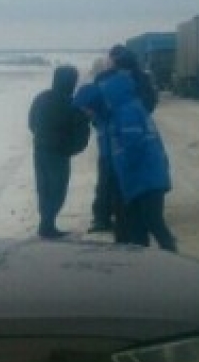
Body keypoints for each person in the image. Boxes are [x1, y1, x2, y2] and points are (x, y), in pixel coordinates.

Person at [75, 69, 177, 252]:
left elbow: (132, 149)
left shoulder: (125, 111)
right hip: (133, 178)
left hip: (147, 176)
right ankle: (140, 263)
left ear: (94, 103)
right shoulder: (107, 115)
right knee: (135, 225)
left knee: (153, 221)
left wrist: (119, 178)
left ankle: (173, 257)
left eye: (86, 109)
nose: (86, 114)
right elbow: (109, 153)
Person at [87, 46, 158, 233]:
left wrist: (100, 123)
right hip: (132, 137)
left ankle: (102, 217)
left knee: (107, 177)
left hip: (110, 140)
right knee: (132, 174)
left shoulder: (103, 78)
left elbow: (93, 107)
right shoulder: (141, 78)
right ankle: (132, 213)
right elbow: (150, 104)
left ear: (113, 60)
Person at [27, 64, 89, 238]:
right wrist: (71, 149)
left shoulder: (41, 98)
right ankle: (47, 227)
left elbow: (31, 123)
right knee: (57, 190)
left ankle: (46, 224)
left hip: (40, 150)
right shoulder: (72, 103)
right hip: (59, 154)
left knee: (44, 188)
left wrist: (41, 136)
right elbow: (81, 133)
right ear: (72, 82)